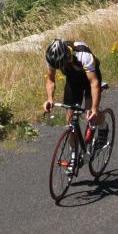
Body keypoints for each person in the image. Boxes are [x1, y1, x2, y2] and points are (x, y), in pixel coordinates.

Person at [42, 38, 108, 170]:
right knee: (70, 121)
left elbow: (94, 83)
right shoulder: (52, 57)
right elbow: (50, 79)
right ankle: (74, 154)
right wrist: (49, 99)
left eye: (62, 64)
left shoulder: (83, 55)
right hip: (73, 80)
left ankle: (103, 127)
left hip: (90, 78)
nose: (60, 68)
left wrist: (94, 108)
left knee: (90, 113)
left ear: (68, 55)